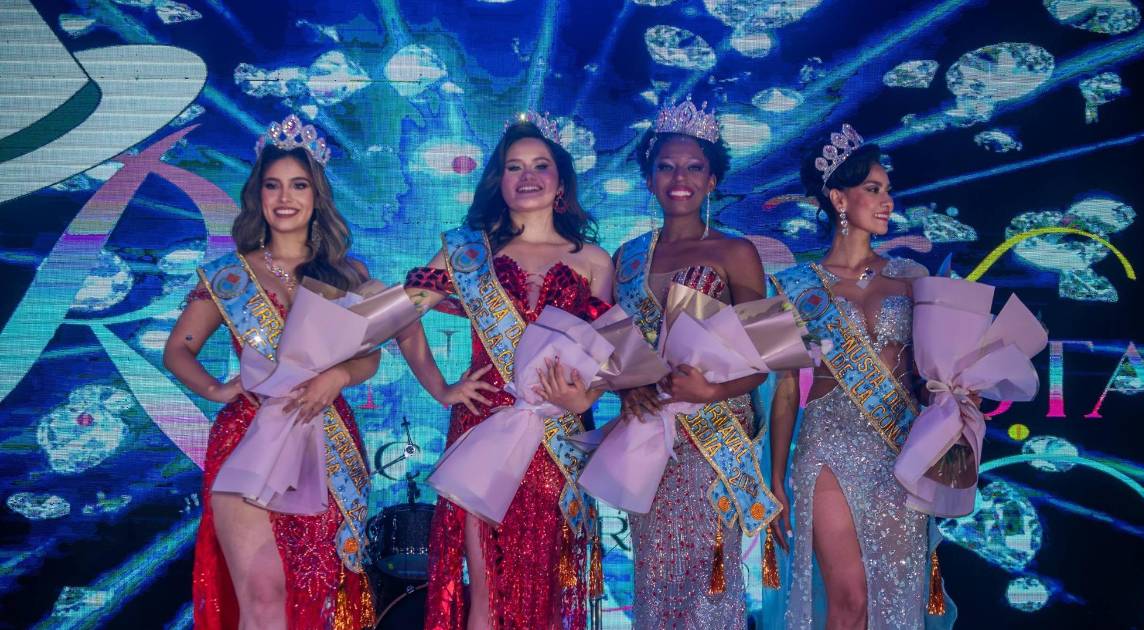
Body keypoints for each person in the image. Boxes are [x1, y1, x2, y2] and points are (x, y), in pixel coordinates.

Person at [398, 113, 614, 630]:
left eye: (541, 165)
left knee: (546, 590)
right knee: (488, 591)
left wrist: (585, 399)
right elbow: (400, 315)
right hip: (485, 425)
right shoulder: (469, 252)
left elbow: (606, 355)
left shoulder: (593, 261)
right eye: (514, 167)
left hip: (557, 434)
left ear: (561, 182)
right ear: (499, 181)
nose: (528, 176)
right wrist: (441, 388)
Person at [164, 115, 379, 629]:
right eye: (272, 185)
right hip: (249, 436)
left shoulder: (348, 273)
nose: (285, 198)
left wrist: (337, 377)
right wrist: (217, 389)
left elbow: (369, 355)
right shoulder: (230, 276)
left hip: (322, 431)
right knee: (262, 593)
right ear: (257, 196)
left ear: (317, 196)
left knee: (315, 588)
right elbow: (178, 351)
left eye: (299, 185)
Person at [770, 124, 955, 629]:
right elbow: (783, 389)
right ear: (838, 198)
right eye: (873, 189)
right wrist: (776, 478)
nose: (887, 201)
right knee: (849, 600)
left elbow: (933, 373)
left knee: (893, 598)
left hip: (899, 447)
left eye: (888, 190)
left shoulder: (913, 278)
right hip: (827, 445)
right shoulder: (790, 286)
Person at [613, 97, 777, 628]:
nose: (679, 178)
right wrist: (627, 388)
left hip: (711, 438)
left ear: (712, 180)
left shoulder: (737, 252)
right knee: (654, 580)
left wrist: (711, 392)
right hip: (647, 438)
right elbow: (614, 349)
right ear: (650, 178)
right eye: (666, 166)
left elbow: (770, 356)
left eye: (693, 167)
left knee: (707, 585)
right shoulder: (626, 256)